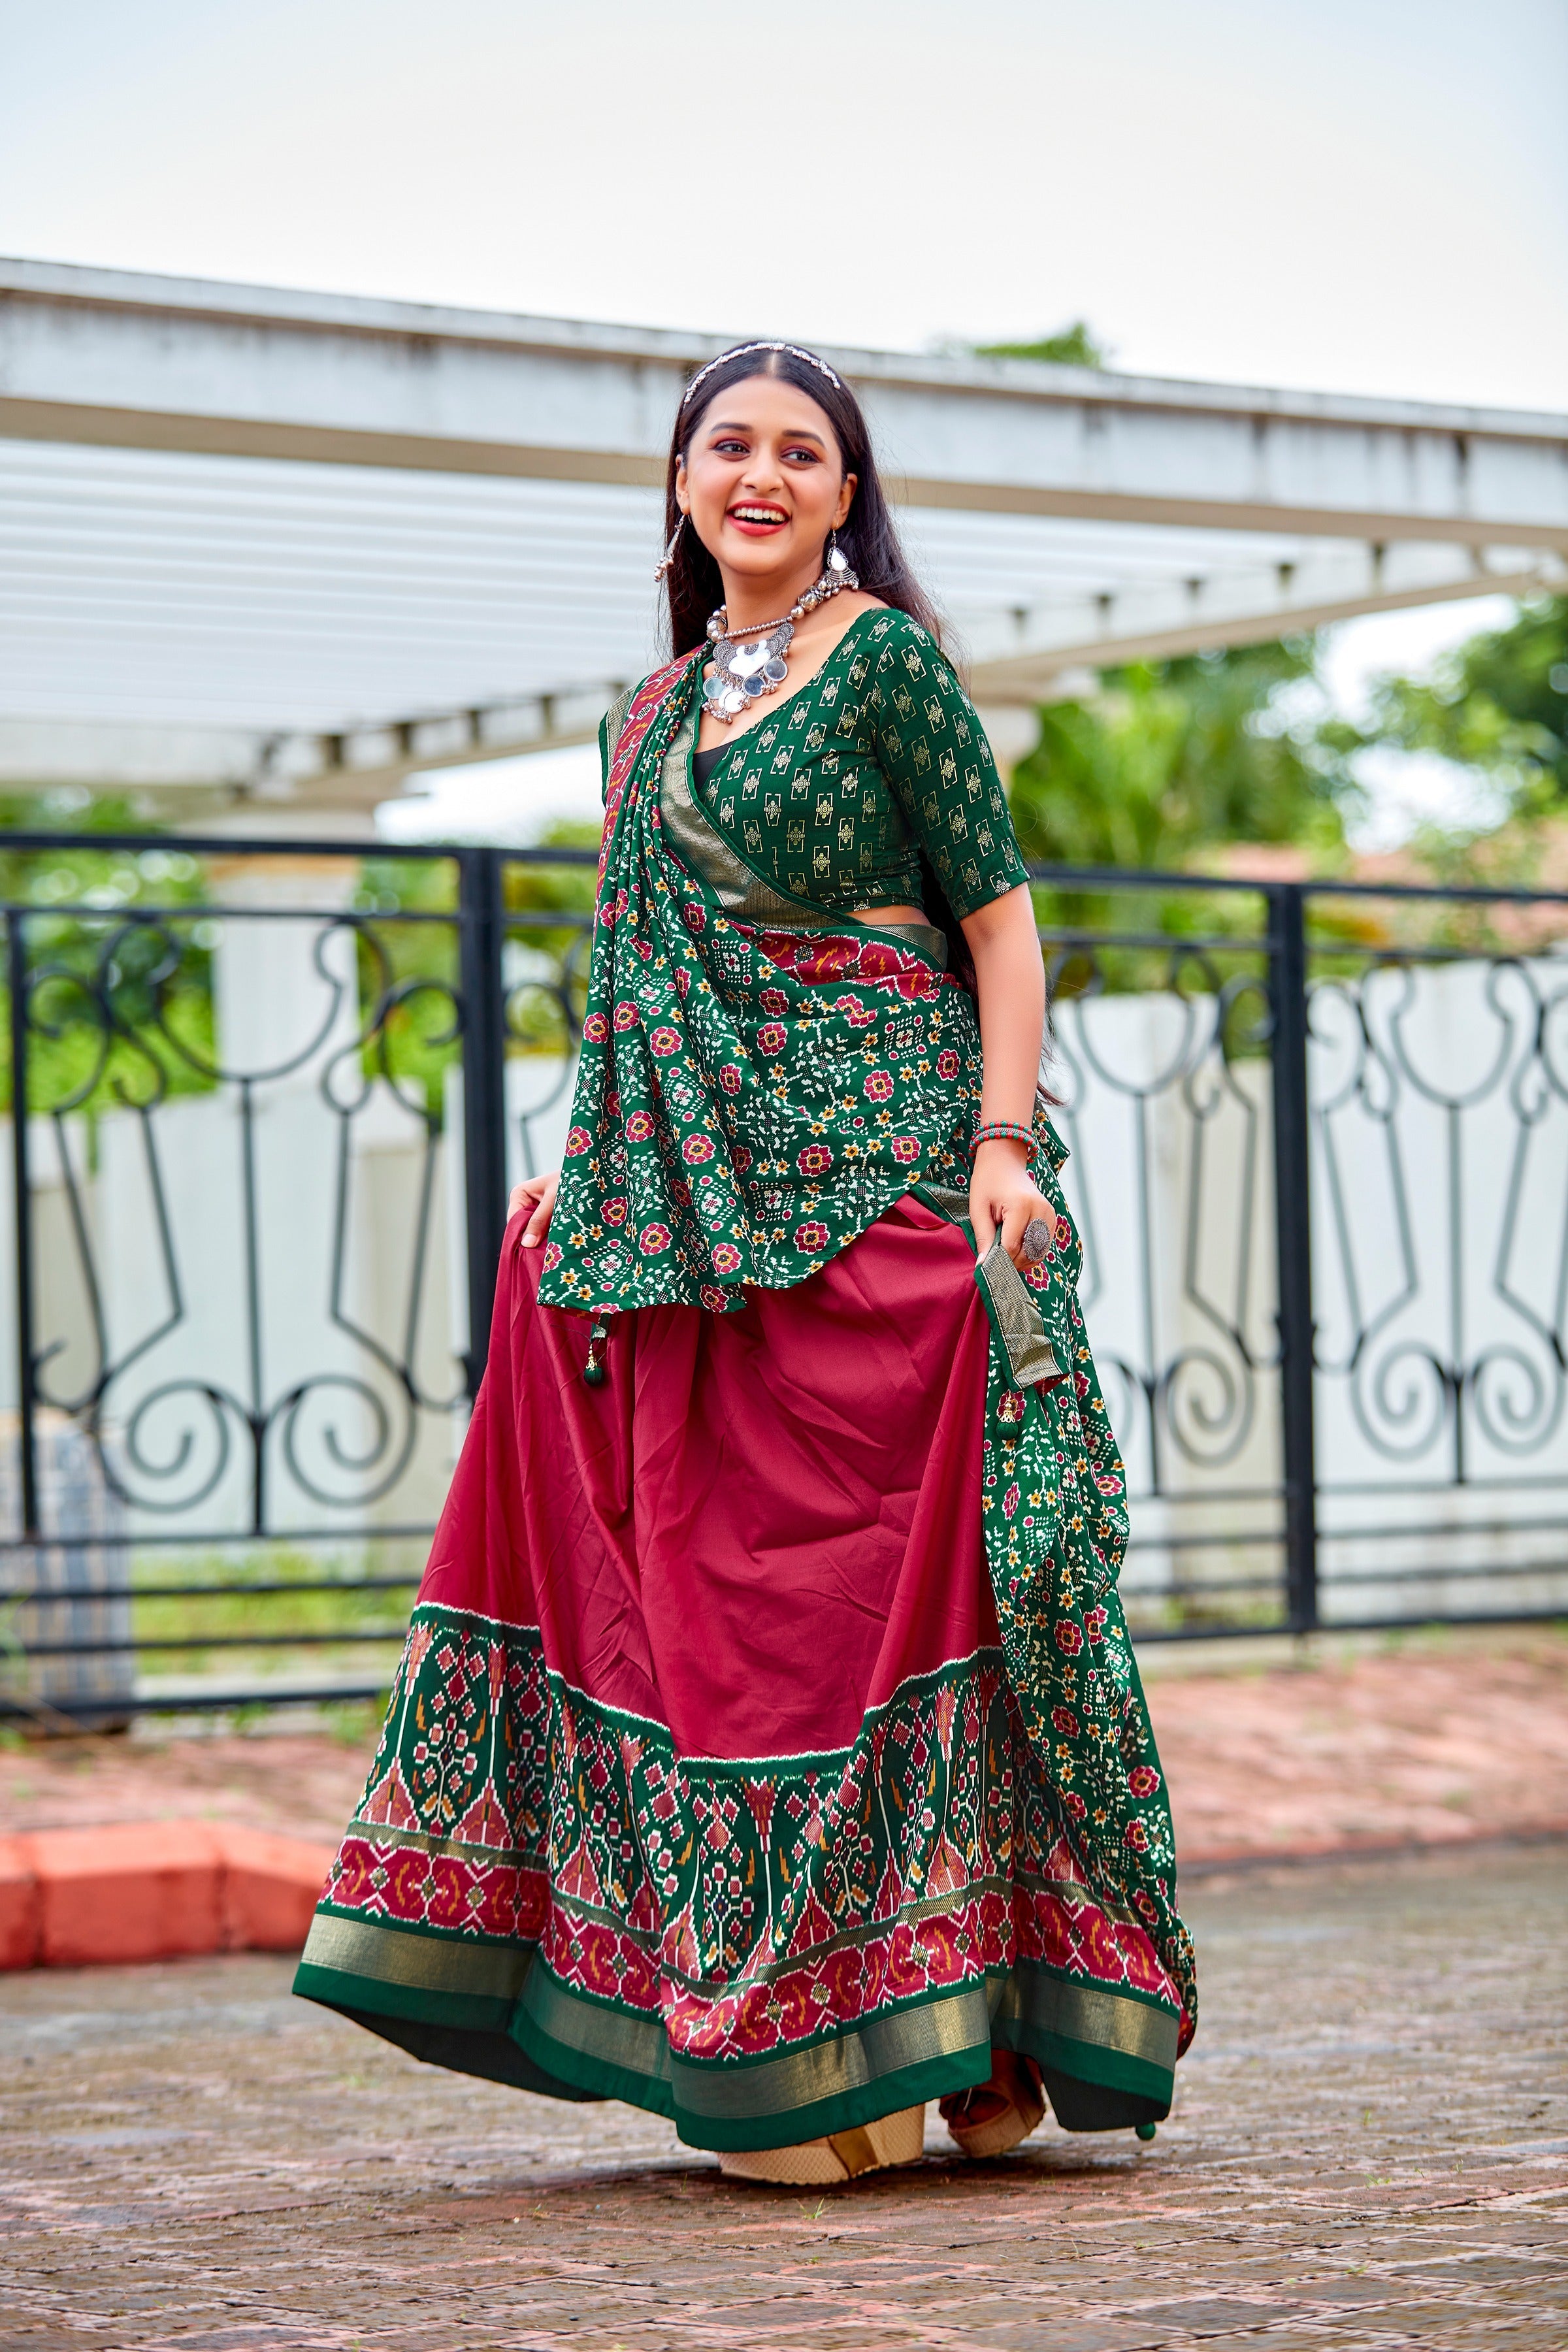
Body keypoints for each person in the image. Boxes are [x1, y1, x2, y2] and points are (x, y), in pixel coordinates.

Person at [295, 340, 1196, 2184]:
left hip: (885, 1176)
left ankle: (974, 2008)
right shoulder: (639, 720)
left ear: (847, 495)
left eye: (804, 450)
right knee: (723, 1603)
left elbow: (1001, 931)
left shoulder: (892, 670)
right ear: (688, 484)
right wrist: (583, 1168)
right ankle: (753, 2006)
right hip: (692, 1216)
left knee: (937, 1581)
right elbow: (638, 987)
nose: (764, 473)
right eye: (731, 445)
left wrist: (1001, 1155)